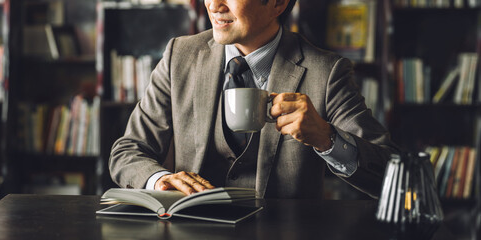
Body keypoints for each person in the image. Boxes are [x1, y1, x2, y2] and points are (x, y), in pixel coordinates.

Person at [109, 0, 399, 199]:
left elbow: (388, 172)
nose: (213, 4)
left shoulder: (327, 72)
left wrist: (327, 138)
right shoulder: (179, 56)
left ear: (277, 3)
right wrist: (158, 179)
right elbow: (127, 151)